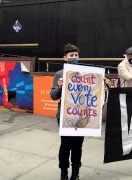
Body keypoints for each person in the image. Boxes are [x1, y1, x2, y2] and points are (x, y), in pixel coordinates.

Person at [50, 43, 83, 180]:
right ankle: (64, 172)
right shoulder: (59, 74)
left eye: (76, 55)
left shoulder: (86, 73)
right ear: (65, 58)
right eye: (71, 55)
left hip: (82, 116)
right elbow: (53, 96)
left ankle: (75, 173)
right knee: (66, 145)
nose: (74, 57)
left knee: (78, 146)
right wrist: (59, 87)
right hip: (64, 115)